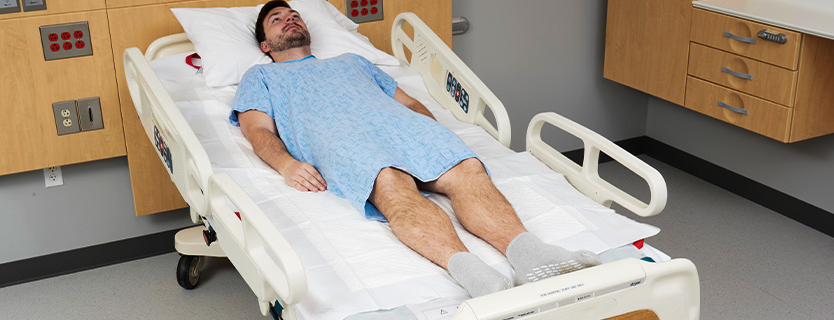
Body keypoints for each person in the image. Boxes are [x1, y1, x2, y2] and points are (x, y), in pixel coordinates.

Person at [231, 0, 600, 297]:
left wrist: (432, 133)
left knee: (465, 168)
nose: (289, 20)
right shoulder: (262, 76)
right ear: (266, 45)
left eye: (294, 15)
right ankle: (474, 273)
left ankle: (531, 255)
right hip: (341, 138)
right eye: (277, 19)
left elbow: (407, 102)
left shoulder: (352, 61)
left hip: (403, 126)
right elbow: (257, 130)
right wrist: (286, 165)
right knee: (391, 185)